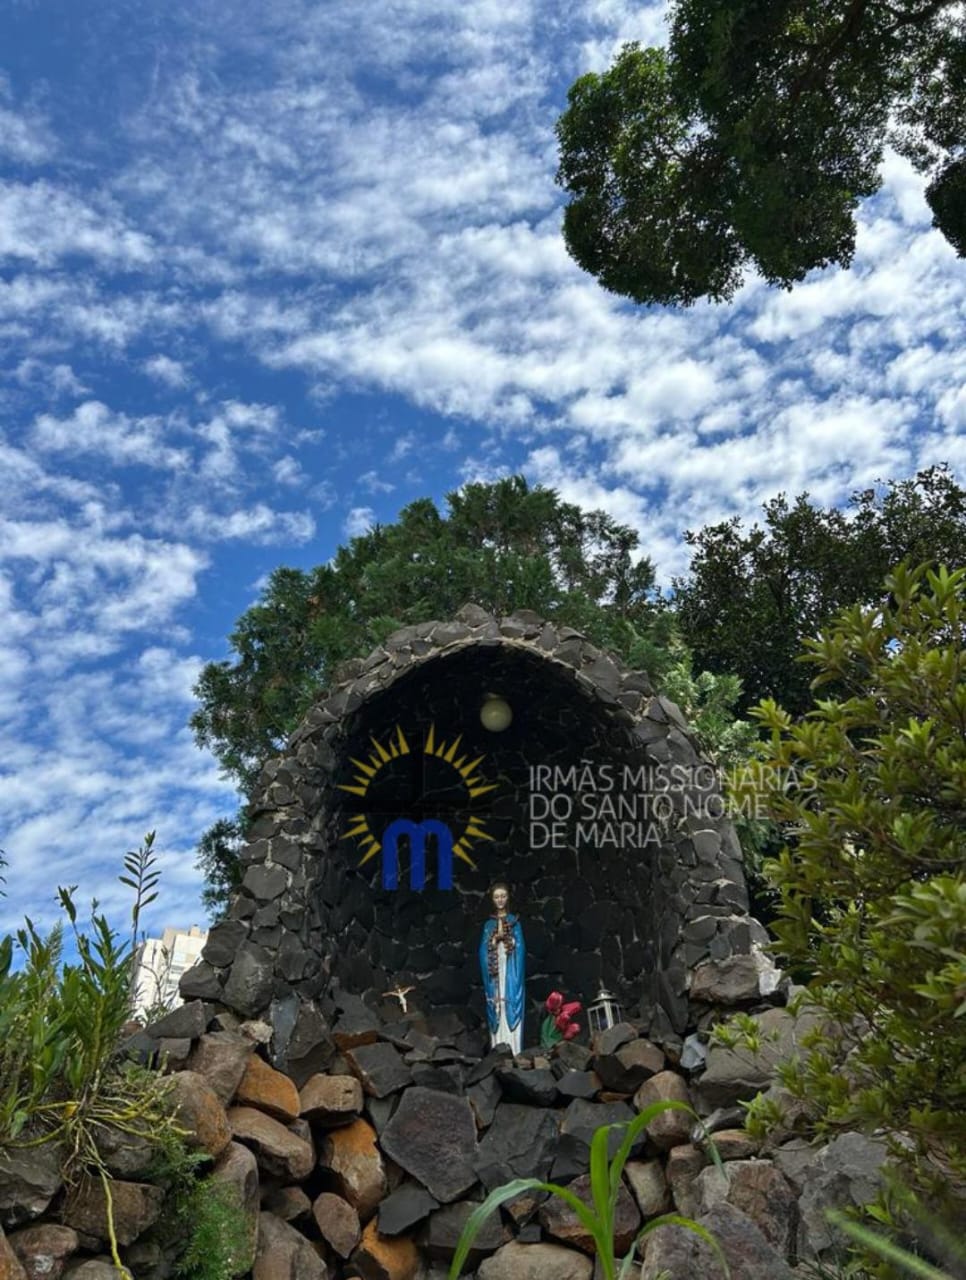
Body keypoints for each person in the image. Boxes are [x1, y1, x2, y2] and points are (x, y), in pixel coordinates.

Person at [479, 881, 525, 1053]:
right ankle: (498, 1047)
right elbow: (482, 950)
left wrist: (508, 941)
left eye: (503, 896)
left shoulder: (514, 922)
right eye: (497, 897)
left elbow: (521, 948)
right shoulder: (488, 925)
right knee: (496, 1001)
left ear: (507, 898)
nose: (500, 900)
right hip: (495, 969)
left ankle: (514, 1048)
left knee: (510, 998)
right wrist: (493, 941)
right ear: (492, 899)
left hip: (510, 968)